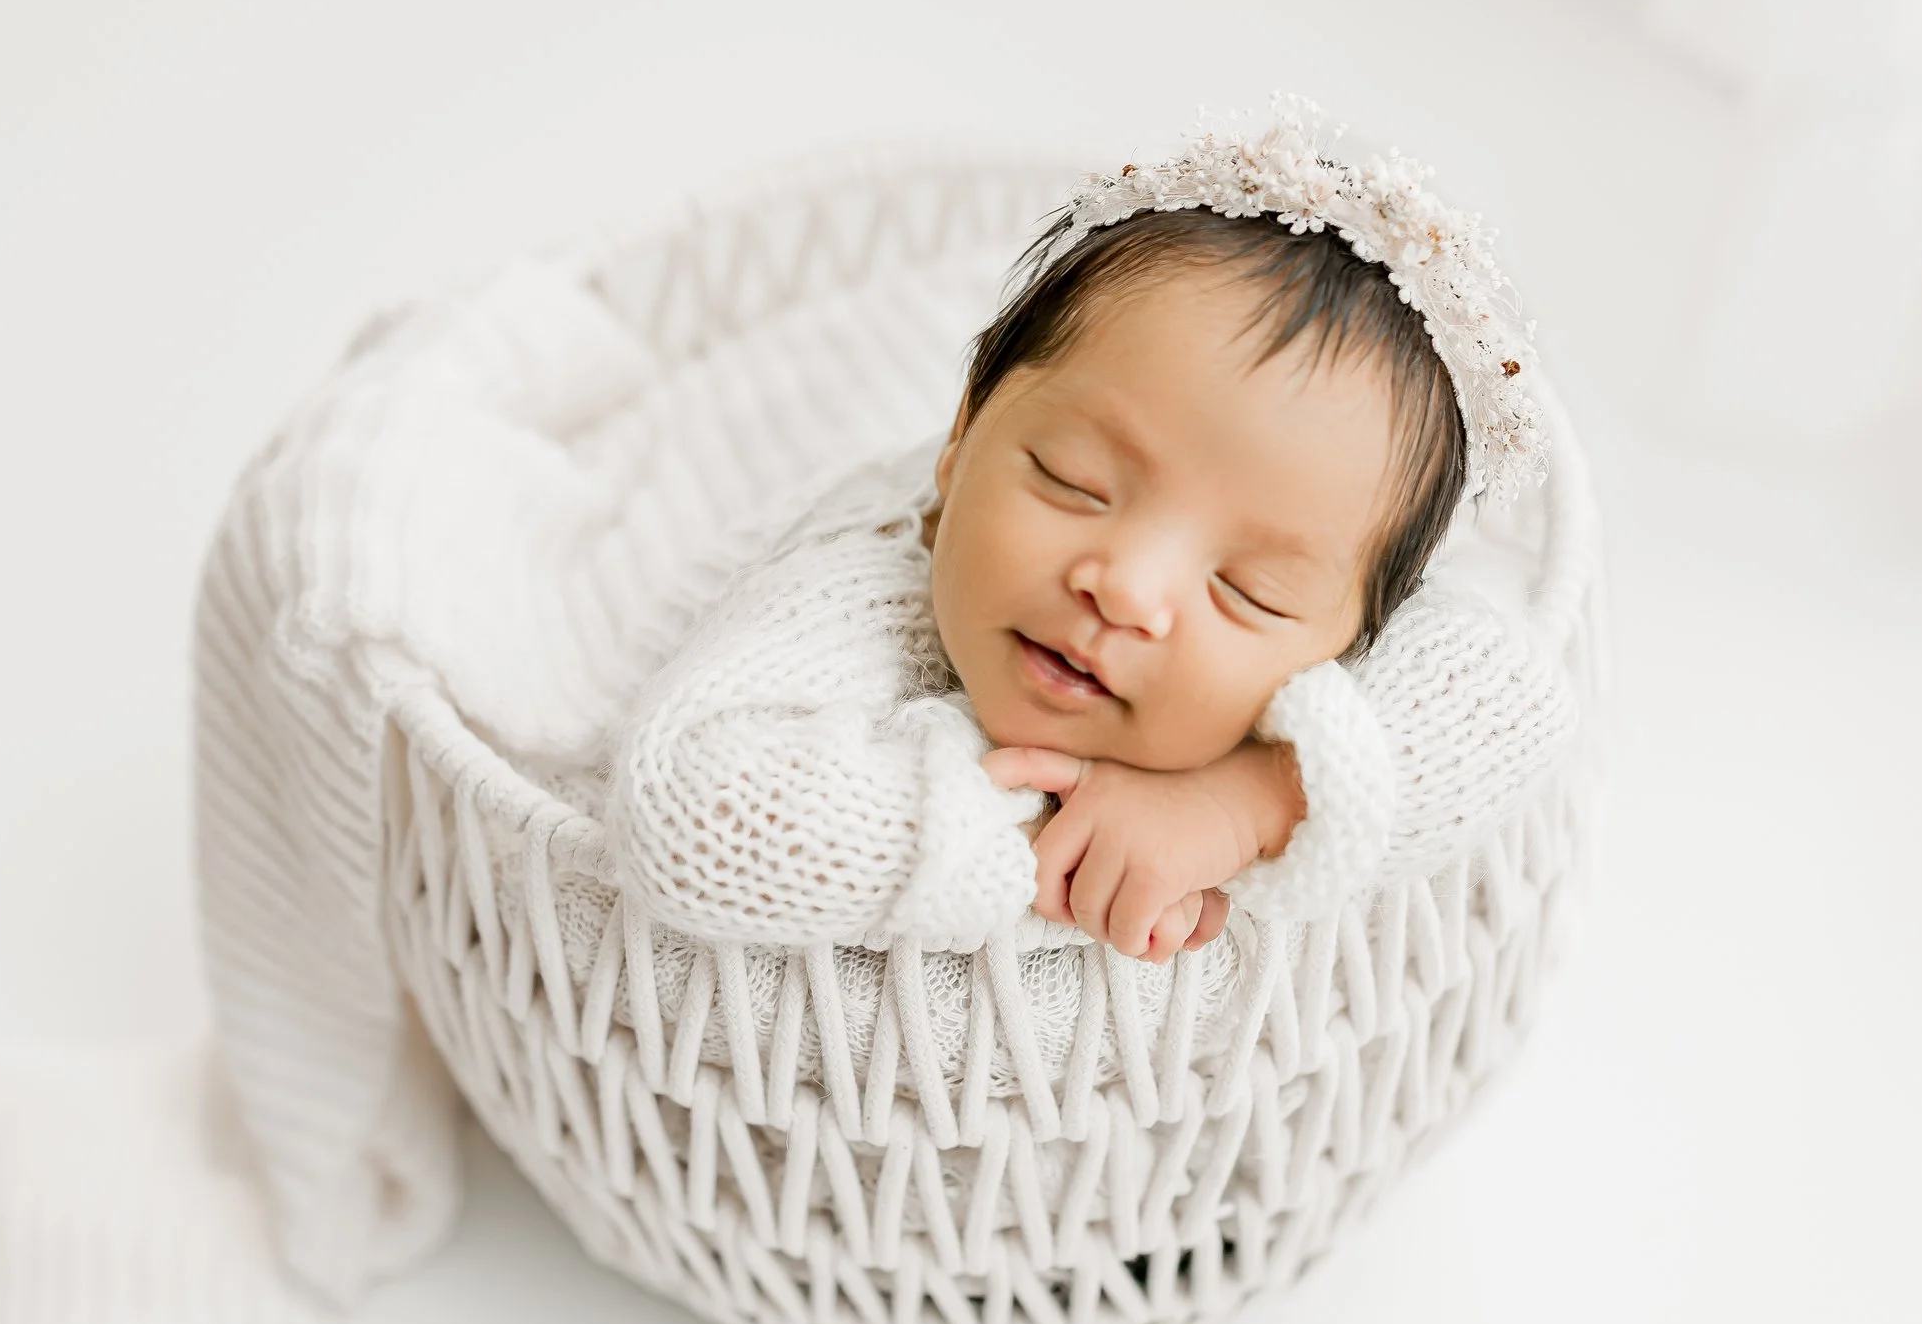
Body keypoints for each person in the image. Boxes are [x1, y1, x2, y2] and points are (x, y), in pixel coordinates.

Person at [611, 100, 1574, 962]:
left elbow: (1517, 700)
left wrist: (1243, 802)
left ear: (1351, 635)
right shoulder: (872, 584)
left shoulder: (1336, 641)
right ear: (961, 441)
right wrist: (1041, 835)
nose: (1125, 588)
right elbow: (693, 815)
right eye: (1073, 483)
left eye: (1249, 592)